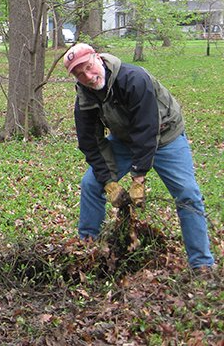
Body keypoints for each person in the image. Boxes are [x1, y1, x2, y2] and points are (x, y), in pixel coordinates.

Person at [63, 43, 214, 271]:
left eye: (88, 67)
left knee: (187, 193)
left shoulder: (134, 78)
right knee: (91, 184)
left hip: (166, 136)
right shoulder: (85, 95)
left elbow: (147, 129)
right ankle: (87, 249)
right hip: (124, 141)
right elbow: (90, 142)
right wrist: (109, 182)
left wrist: (138, 178)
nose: (87, 76)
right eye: (79, 74)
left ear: (98, 58)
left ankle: (202, 264)